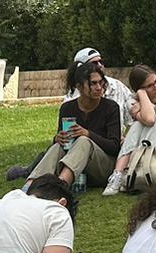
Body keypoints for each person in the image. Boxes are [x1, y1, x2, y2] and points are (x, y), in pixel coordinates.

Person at [27, 60, 121, 192]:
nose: (99, 87)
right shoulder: (67, 108)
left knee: (83, 141)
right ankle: (30, 186)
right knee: (58, 146)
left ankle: (61, 186)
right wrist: (58, 138)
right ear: (80, 86)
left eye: (101, 82)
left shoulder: (110, 107)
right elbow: (64, 145)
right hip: (77, 168)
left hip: (102, 168)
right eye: (93, 83)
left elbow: (114, 147)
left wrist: (88, 134)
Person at [105, 64, 156, 195]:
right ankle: (122, 175)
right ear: (139, 90)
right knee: (139, 125)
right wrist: (142, 96)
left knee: (155, 121)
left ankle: (120, 173)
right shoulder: (132, 101)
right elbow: (149, 119)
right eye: (150, 86)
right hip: (143, 147)